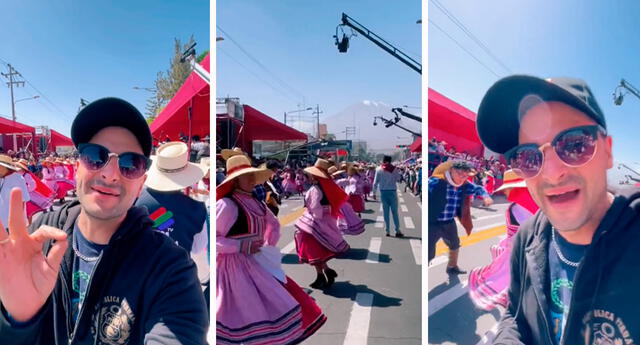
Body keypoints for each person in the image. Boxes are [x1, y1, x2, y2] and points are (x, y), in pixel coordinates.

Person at [0, 97, 208, 344]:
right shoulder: (38, 239)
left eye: (130, 163)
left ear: (142, 181)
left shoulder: (170, 269)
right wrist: (18, 321)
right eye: (95, 156)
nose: (110, 174)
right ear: (77, 166)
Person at [477, 75, 640, 344]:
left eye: (575, 145)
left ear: (608, 152)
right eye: (527, 157)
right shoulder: (527, 239)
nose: (552, 174)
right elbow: (516, 315)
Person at [216, 154, 326, 344]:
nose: (251, 180)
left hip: (254, 261)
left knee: (275, 301)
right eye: (247, 176)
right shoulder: (227, 205)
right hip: (232, 267)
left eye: (252, 175)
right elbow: (214, 239)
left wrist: (266, 248)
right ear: (235, 181)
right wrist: (241, 245)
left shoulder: (255, 202)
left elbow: (273, 224)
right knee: (243, 311)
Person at [135, 141, 209, 288]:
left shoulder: (135, 200)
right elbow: (198, 247)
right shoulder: (196, 208)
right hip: (177, 279)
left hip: (140, 276)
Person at [468, 169, 539, 311]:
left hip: (520, 251)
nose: (505, 193)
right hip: (538, 250)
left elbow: (516, 235)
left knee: (504, 277)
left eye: (508, 189)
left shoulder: (514, 209)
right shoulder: (540, 202)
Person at [427, 160, 493, 274]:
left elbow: (478, 188)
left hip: (449, 222)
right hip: (432, 222)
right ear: (451, 170)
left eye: (465, 175)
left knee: (455, 244)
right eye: (459, 173)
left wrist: (485, 196)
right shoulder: (436, 182)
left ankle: (452, 266)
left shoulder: (464, 185)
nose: (462, 177)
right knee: (428, 251)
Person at [294, 159, 350, 288]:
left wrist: (311, 218)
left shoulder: (315, 189)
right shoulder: (327, 187)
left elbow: (315, 209)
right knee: (318, 250)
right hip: (326, 220)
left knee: (313, 250)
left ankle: (323, 274)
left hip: (316, 222)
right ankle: (325, 273)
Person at [328, 166, 365, 236]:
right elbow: (349, 182)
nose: (338, 175)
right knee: (341, 218)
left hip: (335, 202)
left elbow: (349, 182)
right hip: (337, 202)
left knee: (337, 219)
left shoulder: (334, 181)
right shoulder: (337, 181)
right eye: (336, 174)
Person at [373, 155, 404, 237]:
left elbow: (375, 182)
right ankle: (397, 230)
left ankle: (387, 231)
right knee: (395, 212)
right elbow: (398, 179)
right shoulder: (394, 169)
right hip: (392, 192)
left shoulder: (378, 169)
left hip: (383, 192)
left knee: (385, 212)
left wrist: (374, 193)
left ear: (383, 160)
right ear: (390, 161)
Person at [0, 155, 30, 226]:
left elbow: (23, 200)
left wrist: (19, 219)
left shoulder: (18, 178)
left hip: (12, 222)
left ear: (4, 167)